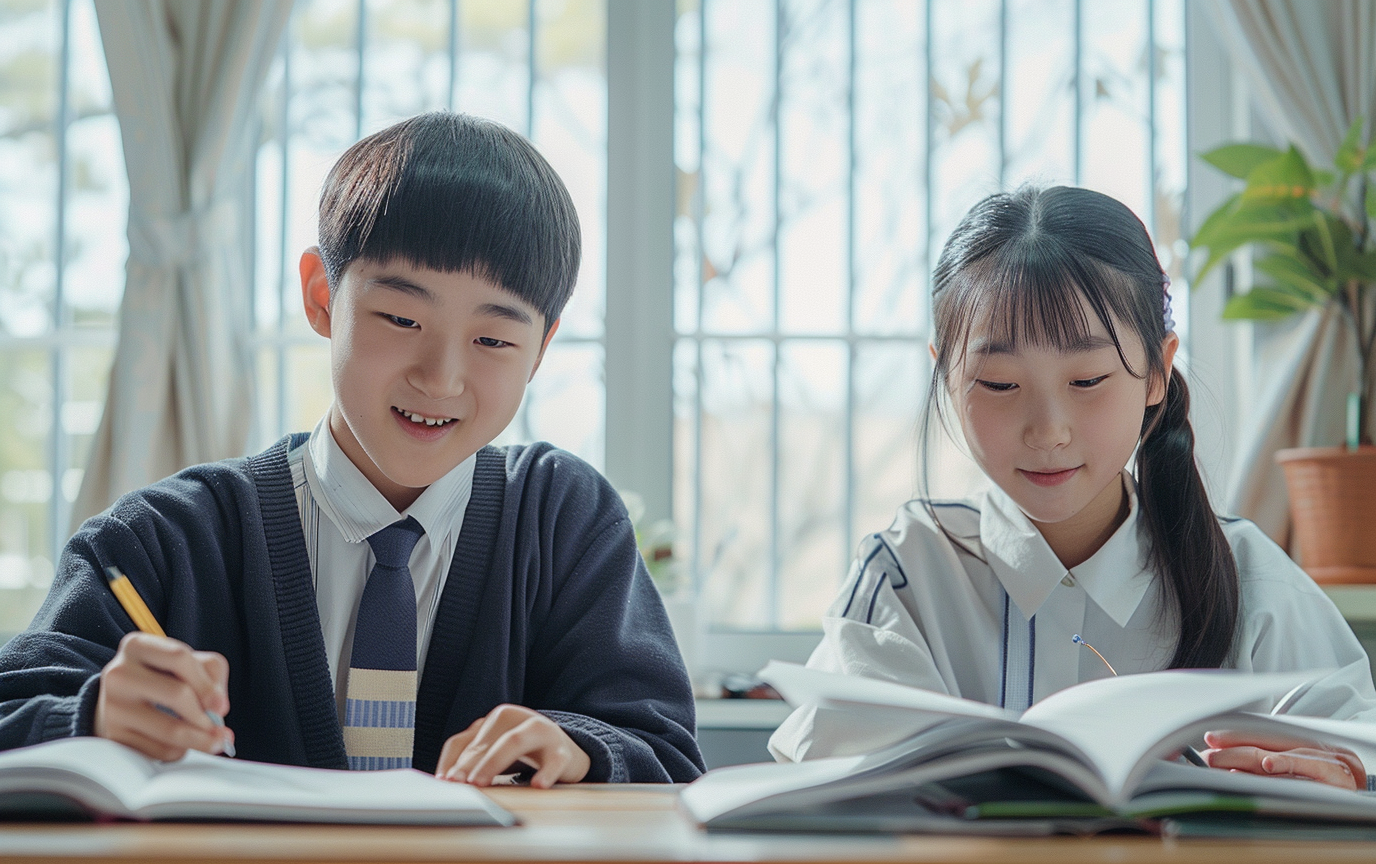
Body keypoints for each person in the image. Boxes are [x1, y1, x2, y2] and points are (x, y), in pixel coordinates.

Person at [0, 112, 704, 787]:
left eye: (493, 340)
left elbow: (664, 751)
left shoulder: (562, 522)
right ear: (320, 296)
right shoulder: (168, 539)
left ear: (542, 348)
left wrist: (581, 749)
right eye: (401, 317)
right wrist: (88, 714)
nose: (440, 377)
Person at [769, 185, 1376, 790]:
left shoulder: (1246, 576)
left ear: (1158, 373)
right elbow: (834, 770)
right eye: (999, 384)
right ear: (945, 375)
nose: (1048, 432)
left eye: (1087, 380)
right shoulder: (907, 573)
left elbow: (1355, 738)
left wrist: (1342, 773)